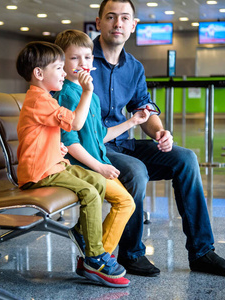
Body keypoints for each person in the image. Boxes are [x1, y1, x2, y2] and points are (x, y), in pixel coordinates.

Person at [91, 0, 225, 277]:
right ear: (99, 22)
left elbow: (145, 108)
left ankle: (202, 252)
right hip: (91, 147)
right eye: (111, 17)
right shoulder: (82, 58)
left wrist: (160, 132)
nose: (118, 23)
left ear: (133, 26)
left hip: (121, 144)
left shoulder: (134, 68)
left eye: (125, 18)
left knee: (186, 158)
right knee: (135, 170)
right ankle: (131, 252)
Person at [15, 41, 129, 287]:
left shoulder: (44, 98)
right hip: (40, 173)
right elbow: (75, 124)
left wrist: (56, 145)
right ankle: (94, 257)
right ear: (39, 73)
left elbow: (40, 132)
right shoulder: (40, 100)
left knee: (97, 180)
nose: (64, 73)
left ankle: (81, 231)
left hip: (53, 163)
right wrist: (87, 92)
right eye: (58, 68)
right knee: (89, 192)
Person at [53, 29, 147, 276]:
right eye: (75, 59)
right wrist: (99, 167)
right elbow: (70, 142)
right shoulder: (65, 95)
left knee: (125, 202)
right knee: (125, 201)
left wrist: (131, 122)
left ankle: (91, 248)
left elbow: (99, 136)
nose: (83, 63)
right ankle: (96, 258)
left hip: (95, 163)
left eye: (88, 57)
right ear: (61, 64)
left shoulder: (89, 95)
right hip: (80, 167)